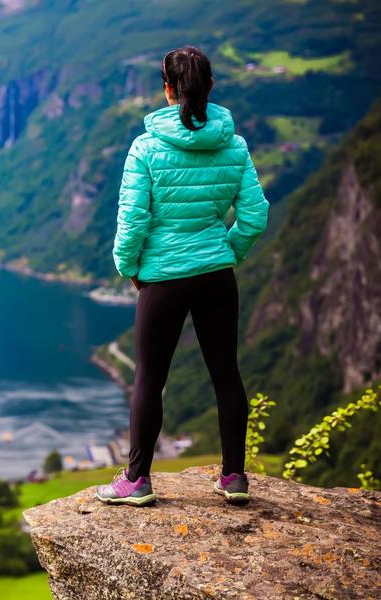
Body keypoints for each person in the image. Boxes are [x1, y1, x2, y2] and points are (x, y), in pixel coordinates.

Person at [96, 46, 269, 507]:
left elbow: (132, 220)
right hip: (216, 276)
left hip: (164, 280)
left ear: (167, 89)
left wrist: (130, 268)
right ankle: (234, 477)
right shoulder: (234, 145)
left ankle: (137, 481)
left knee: (150, 378)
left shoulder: (146, 148)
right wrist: (224, 252)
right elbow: (254, 215)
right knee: (226, 375)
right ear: (210, 86)